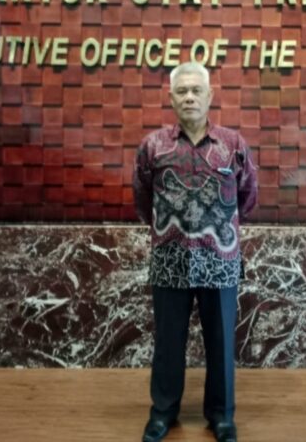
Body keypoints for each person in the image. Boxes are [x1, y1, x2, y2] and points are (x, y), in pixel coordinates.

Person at [132, 61, 258, 442]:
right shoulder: (153, 146)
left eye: (196, 90)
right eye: (182, 91)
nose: (189, 97)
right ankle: (163, 413)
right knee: (168, 342)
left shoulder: (233, 145)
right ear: (171, 98)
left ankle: (221, 416)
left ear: (210, 95)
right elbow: (143, 200)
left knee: (220, 343)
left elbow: (248, 197)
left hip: (220, 260)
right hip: (170, 260)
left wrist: (220, 228)